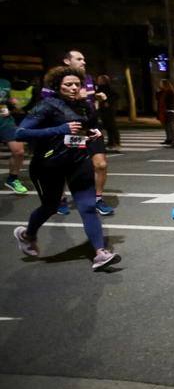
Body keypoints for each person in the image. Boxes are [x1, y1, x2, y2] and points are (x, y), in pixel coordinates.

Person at [13, 66, 120, 270]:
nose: (73, 88)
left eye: (77, 84)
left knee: (88, 206)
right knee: (50, 206)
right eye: (68, 84)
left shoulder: (84, 106)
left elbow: (82, 132)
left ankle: (100, 253)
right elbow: (21, 133)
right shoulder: (46, 106)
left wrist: (92, 134)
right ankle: (27, 235)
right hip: (48, 164)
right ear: (57, 86)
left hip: (78, 162)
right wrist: (59, 129)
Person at [42, 51, 114, 216]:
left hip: (90, 127)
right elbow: (46, 101)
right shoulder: (55, 79)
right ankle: (59, 198)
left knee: (100, 164)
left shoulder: (88, 78)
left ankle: (97, 200)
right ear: (67, 61)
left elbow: (89, 100)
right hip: (71, 128)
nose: (83, 61)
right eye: (79, 59)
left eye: (84, 58)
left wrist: (97, 96)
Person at [0, 76, 28, 194]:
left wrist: (11, 102)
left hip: (5, 120)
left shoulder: (5, 81)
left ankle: (12, 179)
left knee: (19, 151)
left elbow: (6, 99)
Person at [94, 74, 121, 150]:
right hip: (103, 109)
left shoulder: (107, 88)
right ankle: (111, 142)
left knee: (111, 126)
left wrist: (108, 102)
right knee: (108, 126)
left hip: (109, 110)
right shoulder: (99, 88)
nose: (98, 81)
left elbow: (116, 96)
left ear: (104, 81)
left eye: (99, 80)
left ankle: (115, 142)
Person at [156, 79, 174, 146]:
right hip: (163, 111)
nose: (160, 85)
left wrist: (169, 108)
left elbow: (171, 102)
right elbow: (157, 99)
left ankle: (173, 139)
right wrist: (157, 92)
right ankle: (168, 139)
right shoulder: (162, 92)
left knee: (170, 126)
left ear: (165, 84)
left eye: (161, 83)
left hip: (170, 110)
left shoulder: (170, 92)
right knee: (166, 126)